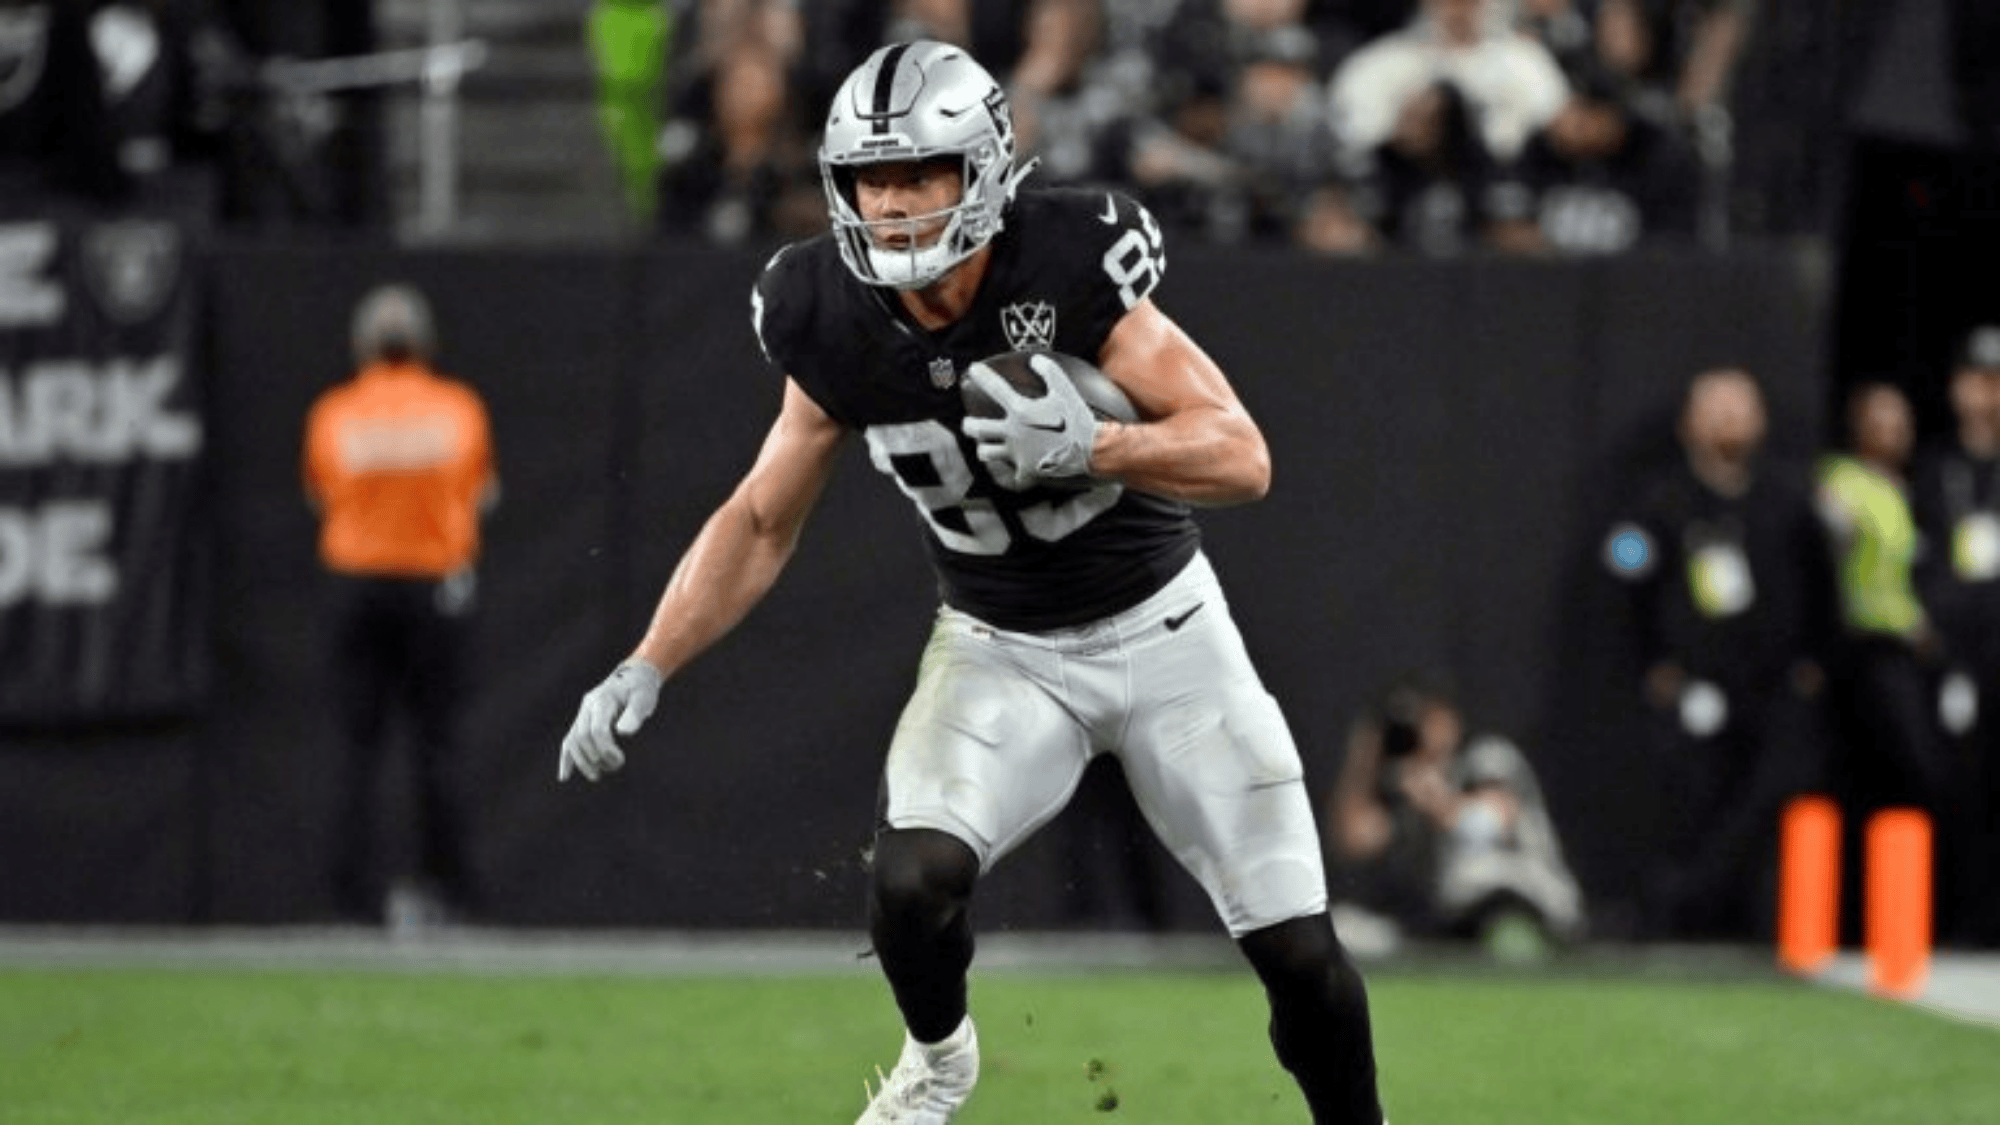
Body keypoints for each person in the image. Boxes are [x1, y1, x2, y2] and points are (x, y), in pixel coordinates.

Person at [559, 39, 1386, 1125]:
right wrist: (647, 661)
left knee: (1300, 958)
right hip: (1001, 647)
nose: (893, 204)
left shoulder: (1069, 261)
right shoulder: (826, 309)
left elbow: (1241, 454)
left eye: (920, 174)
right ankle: (939, 1063)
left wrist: (1095, 444)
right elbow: (761, 519)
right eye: (872, 179)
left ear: (985, 169)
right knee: (909, 885)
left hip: (1165, 632)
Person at [1603, 367, 1830, 939]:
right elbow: (1624, 570)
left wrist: (1814, 663)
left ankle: (1763, 930)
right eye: (1716, 407)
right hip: (1698, 689)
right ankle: (1680, 922)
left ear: (1761, 420)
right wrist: (1654, 662)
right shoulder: (1659, 503)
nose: (1729, 419)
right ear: (1688, 424)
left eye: (1740, 407)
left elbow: (1824, 584)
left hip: (1776, 690)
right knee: (1692, 804)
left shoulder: (1790, 500)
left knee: (1771, 803)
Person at [303, 283, 499, 927]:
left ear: (363, 345)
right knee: (437, 747)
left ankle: (347, 901)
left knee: (355, 749)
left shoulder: (335, 410)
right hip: (433, 587)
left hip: (357, 583)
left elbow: (320, 496)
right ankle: (450, 894)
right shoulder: (458, 407)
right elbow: (483, 495)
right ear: (424, 345)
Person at [1326, 676, 1585, 957]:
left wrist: (1433, 799)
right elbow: (1355, 841)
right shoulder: (1408, 778)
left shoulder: (1487, 755)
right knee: (1343, 926)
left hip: (1526, 899)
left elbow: (1485, 823)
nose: (1423, 730)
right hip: (1456, 917)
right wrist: (1364, 760)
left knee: (1499, 910)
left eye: (1427, 717)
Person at [1910, 326, 2000, 946]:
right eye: (1979, 381)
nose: (1989, 395)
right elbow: (1917, 564)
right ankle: (1960, 920)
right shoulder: (1936, 469)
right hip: (1953, 655)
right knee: (1958, 788)